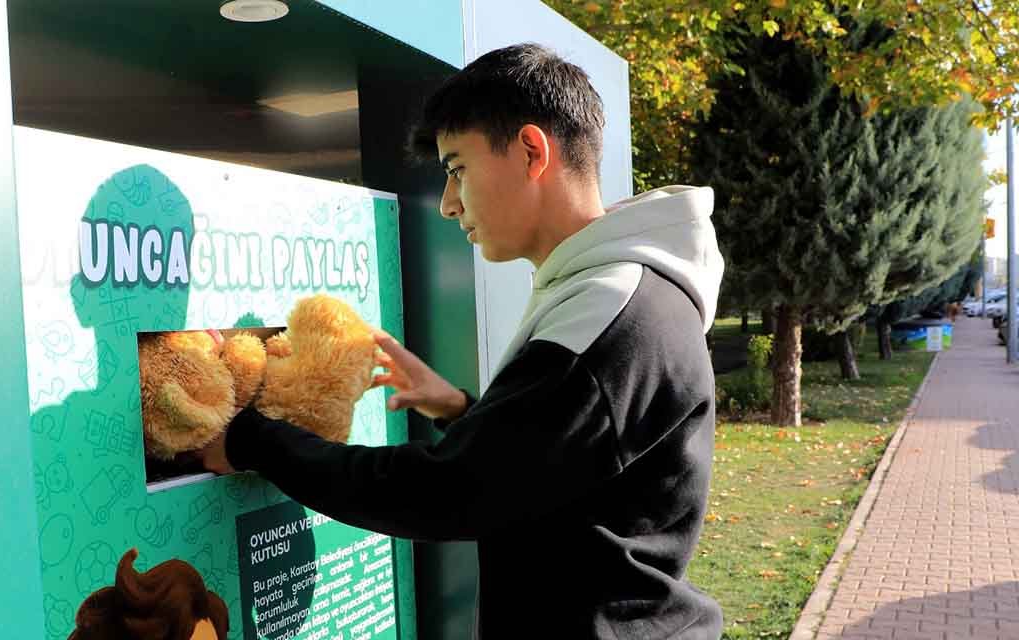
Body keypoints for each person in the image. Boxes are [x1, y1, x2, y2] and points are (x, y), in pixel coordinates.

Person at [200, 43, 725, 638]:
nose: (449, 205)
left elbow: (445, 493)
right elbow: (564, 474)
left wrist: (253, 440)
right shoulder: (616, 293)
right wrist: (463, 412)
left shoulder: (611, 311)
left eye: (456, 169)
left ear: (532, 151)